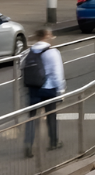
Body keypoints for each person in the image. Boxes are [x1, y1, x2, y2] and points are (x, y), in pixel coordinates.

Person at [23, 29, 64, 158]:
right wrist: (61, 90)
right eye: (50, 34)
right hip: (49, 88)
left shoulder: (27, 52)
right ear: (46, 36)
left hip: (33, 88)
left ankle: (28, 144)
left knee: (31, 117)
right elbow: (57, 73)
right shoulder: (53, 52)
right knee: (51, 115)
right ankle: (53, 142)